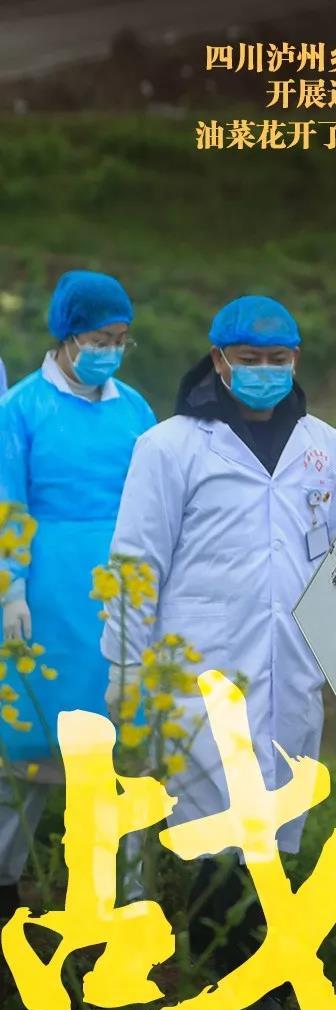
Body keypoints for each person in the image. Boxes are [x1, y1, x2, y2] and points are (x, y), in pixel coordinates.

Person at [101, 294, 336, 1010]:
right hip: (201, 665)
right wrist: (126, 663)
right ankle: (235, 974)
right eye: (249, 359)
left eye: (278, 359)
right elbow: (136, 561)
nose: (264, 371)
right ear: (218, 362)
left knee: (276, 816)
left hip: (291, 662)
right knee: (219, 819)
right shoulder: (171, 447)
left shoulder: (322, 445)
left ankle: (258, 963)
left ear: (296, 360)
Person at [0, 270, 156, 922]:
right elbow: (8, 501)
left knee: (125, 743)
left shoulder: (135, 409)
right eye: (99, 339)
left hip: (121, 588)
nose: (110, 351)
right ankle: (7, 877)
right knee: (29, 740)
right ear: (66, 336)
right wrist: (10, 587)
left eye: (120, 340)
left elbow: (156, 500)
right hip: (45, 591)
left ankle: (125, 888)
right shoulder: (21, 408)